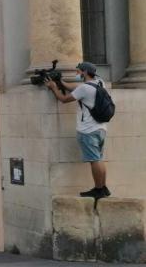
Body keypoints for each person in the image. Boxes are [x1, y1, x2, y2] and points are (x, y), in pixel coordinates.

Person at [45, 61, 111, 198]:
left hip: (88, 130)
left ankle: (98, 189)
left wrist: (53, 87)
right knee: (99, 159)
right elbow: (76, 88)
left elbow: (63, 99)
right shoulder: (100, 83)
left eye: (78, 71)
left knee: (94, 160)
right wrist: (61, 82)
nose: (77, 73)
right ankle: (103, 187)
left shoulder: (84, 89)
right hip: (101, 128)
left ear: (85, 72)